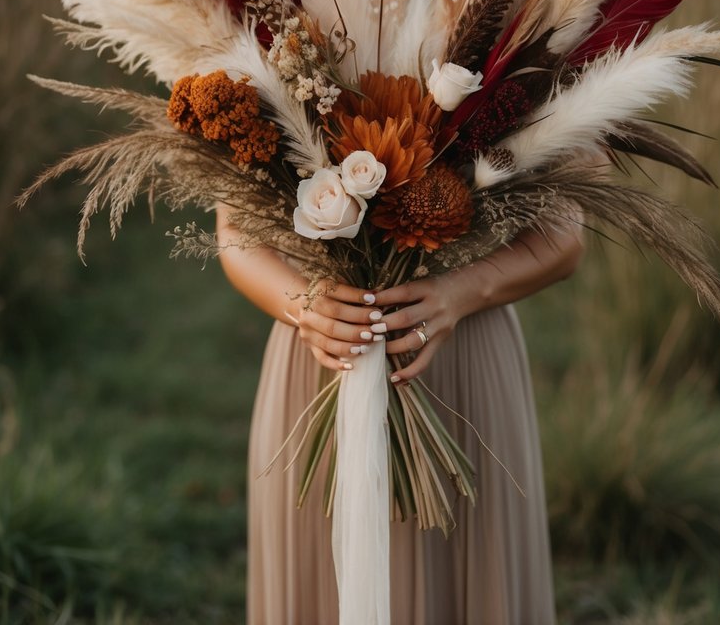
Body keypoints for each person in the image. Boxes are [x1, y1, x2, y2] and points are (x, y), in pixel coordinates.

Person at [217, 203, 584, 625]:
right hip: (318, 350)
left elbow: (564, 237)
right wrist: (303, 305)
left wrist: (462, 291)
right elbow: (234, 233)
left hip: (463, 352)